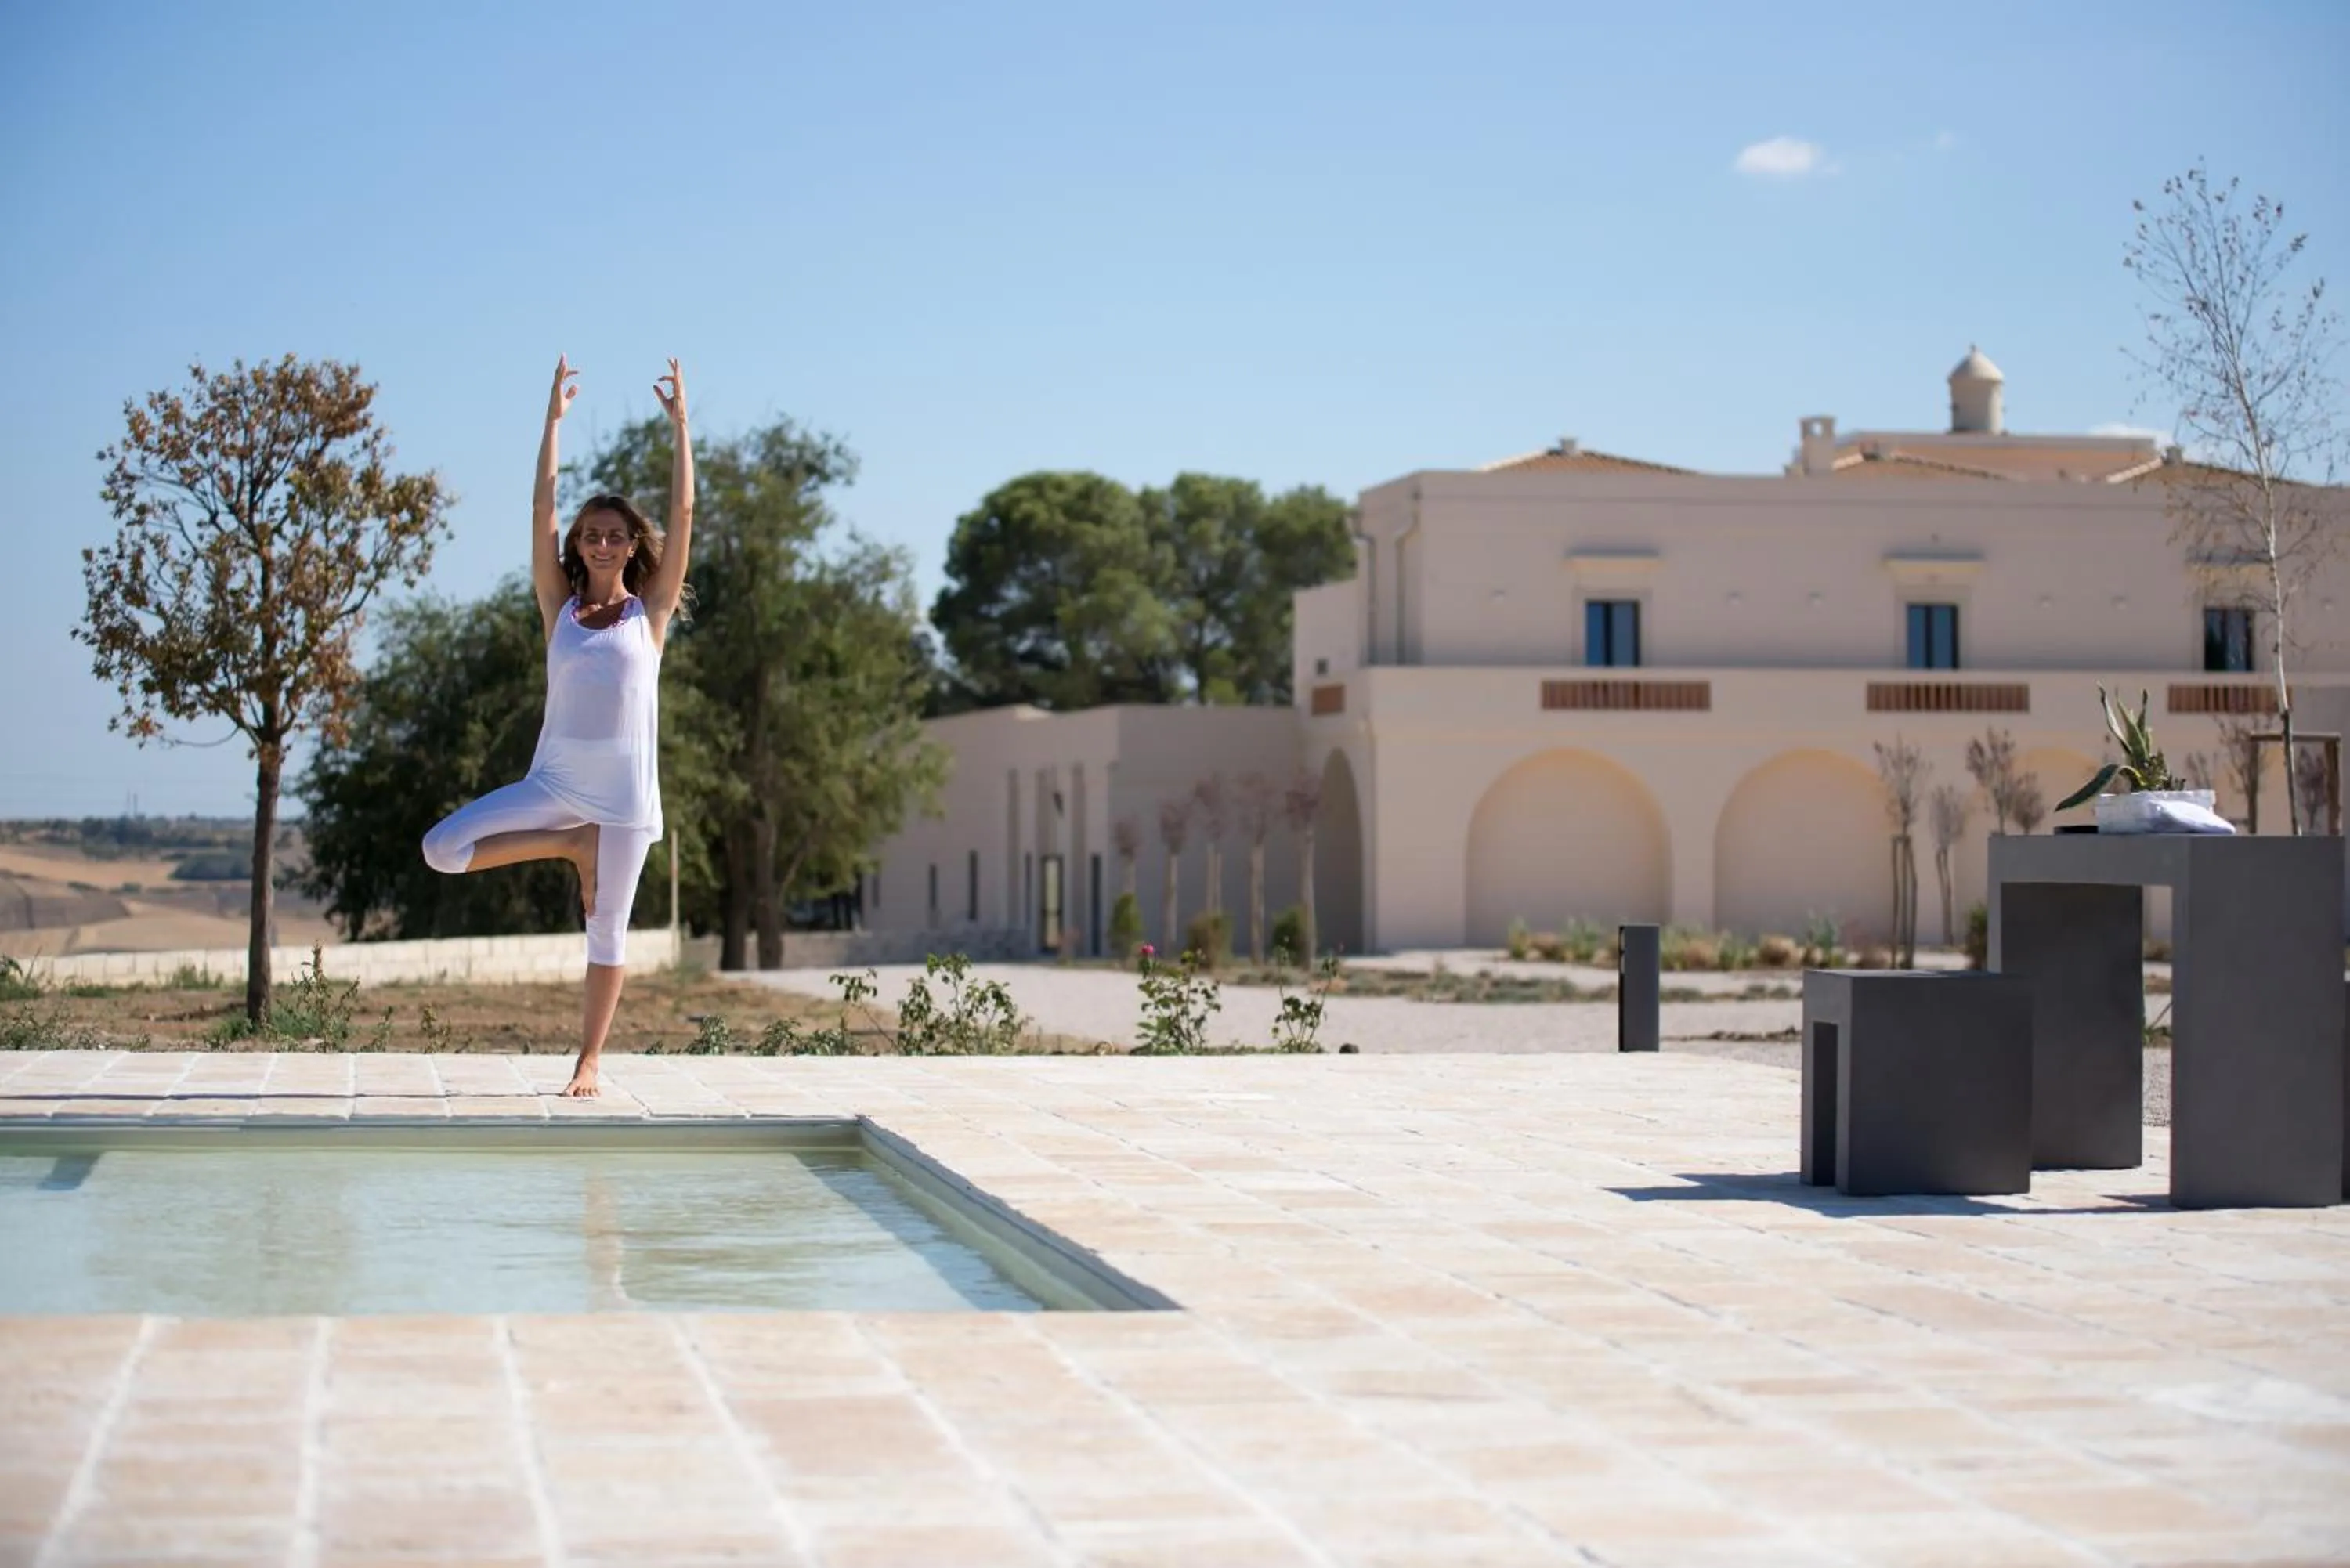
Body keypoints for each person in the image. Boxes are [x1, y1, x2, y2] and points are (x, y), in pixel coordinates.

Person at [421, 355, 693, 1097]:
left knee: (607, 935)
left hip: (629, 800)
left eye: (614, 535)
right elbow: (539, 512)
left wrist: (681, 429)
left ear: (632, 546)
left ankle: (589, 1061)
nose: (601, 543)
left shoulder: (652, 615)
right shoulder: (559, 608)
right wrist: (551, 423)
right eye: (590, 535)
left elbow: (686, 515)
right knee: (443, 849)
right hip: (558, 782)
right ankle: (571, 846)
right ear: (577, 546)